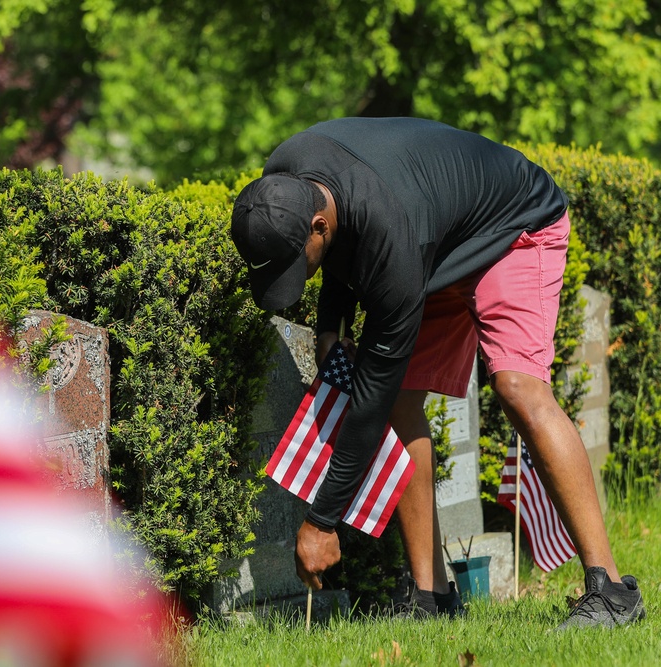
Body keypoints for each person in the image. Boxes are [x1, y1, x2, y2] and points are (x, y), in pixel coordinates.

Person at [231, 117, 645, 628]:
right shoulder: (285, 181)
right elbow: (345, 241)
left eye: (295, 266)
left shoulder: (391, 238)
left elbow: (370, 398)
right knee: (406, 401)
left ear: (316, 225)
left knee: (517, 386)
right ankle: (430, 597)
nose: (293, 278)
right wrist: (329, 327)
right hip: (438, 240)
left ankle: (611, 592)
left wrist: (322, 521)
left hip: (515, 225)